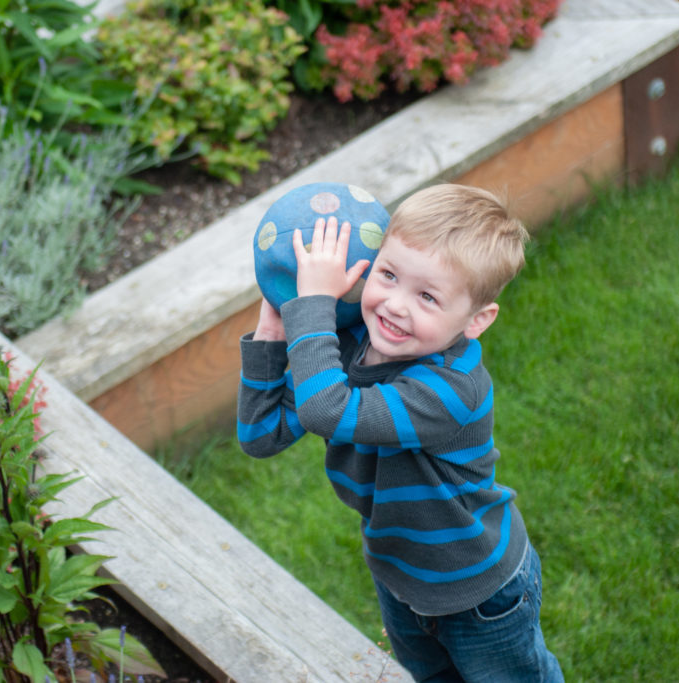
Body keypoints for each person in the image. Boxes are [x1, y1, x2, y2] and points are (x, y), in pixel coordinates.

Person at [236, 184, 563, 682]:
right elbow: (262, 435)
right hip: (399, 573)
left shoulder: (451, 389)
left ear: (477, 320)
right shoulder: (347, 348)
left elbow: (328, 410)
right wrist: (274, 329)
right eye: (388, 275)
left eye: (428, 296)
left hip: (479, 589)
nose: (394, 305)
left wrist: (312, 308)